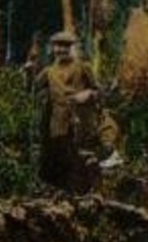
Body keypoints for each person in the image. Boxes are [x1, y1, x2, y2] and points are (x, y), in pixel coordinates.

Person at [33, 31, 102, 194]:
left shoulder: (83, 67)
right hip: (56, 123)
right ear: (53, 48)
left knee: (78, 159)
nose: (61, 50)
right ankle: (59, 196)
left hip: (79, 122)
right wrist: (29, 70)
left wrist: (87, 94)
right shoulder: (48, 72)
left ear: (71, 48)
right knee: (58, 159)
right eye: (58, 46)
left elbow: (98, 91)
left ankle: (82, 196)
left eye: (65, 46)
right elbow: (33, 88)